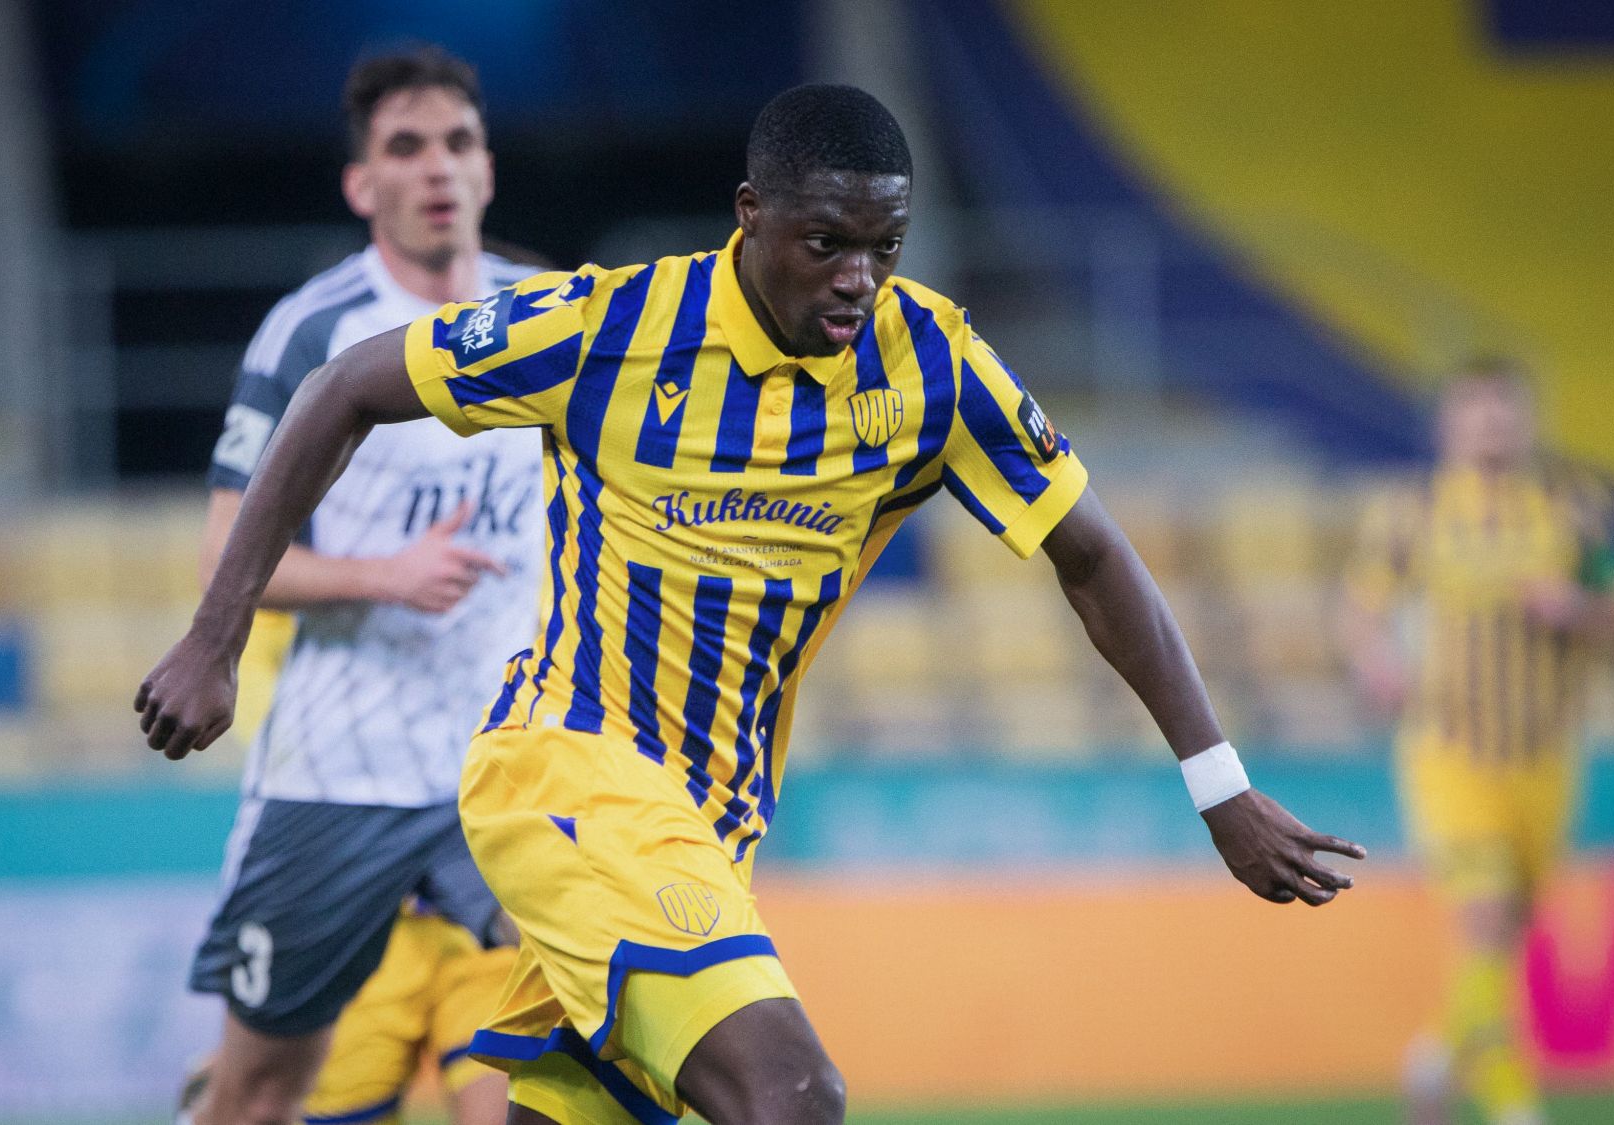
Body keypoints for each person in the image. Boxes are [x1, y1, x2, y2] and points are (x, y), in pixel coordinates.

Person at [142, 83, 1367, 1125]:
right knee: (792, 1097)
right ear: (751, 215)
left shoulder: (930, 364)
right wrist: (214, 638)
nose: (856, 280)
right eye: (824, 243)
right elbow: (346, 387)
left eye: (884, 247)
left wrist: (1218, 786)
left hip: (712, 821)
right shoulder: (611, 326)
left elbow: (1089, 553)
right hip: (566, 771)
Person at [178, 47, 547, 1125]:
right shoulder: (316, 331)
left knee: (550, 1093)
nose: (437, 167)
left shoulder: (549, 313)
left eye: (458, 142)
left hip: (506, 771)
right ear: (360, 183)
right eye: (405, 146)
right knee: (260, 1093)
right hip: (345, 767)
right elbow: (224, 559)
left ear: (487, 168)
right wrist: (386, 574)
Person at [1340, 360, 1614, 1125]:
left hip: (1546, 755)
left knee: (1502, 940)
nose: (1491, 422)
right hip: (1449, 750)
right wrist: (1376, 660)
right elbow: (1359, 609)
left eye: (1504, 408)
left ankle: (1438, 1054)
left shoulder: (1575, 509)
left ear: (1529, 419)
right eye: (1474, 408)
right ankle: (1515, 1106)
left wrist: (1576, 607)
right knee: (1484, 915)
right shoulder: (1411, 511)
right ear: (1446, 423)